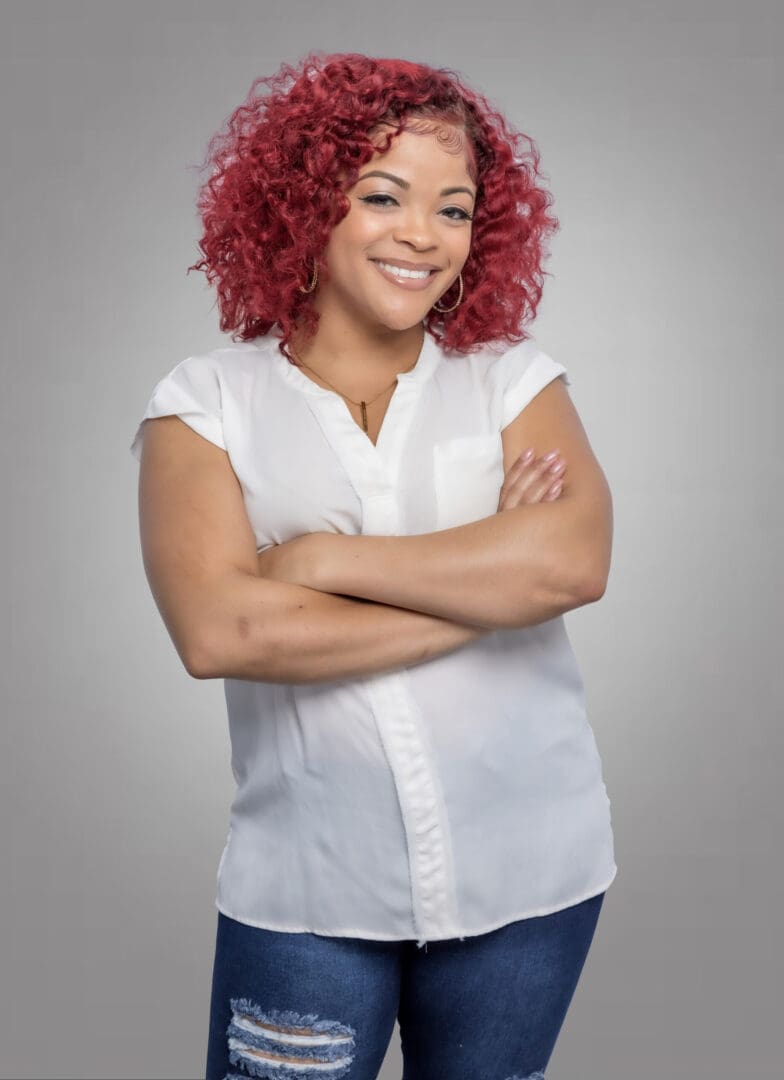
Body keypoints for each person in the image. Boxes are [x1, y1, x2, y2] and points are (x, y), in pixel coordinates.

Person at [130, 51, 618, 1080]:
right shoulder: (205, 404)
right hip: (309, 888)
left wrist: (316, 559)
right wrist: (489, 590)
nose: (421, 236)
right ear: (304, 208)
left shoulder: (509, 381)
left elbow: (571, 562)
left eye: (454, 209)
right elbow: (226, 632)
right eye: (383, 196)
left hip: (532, 873)